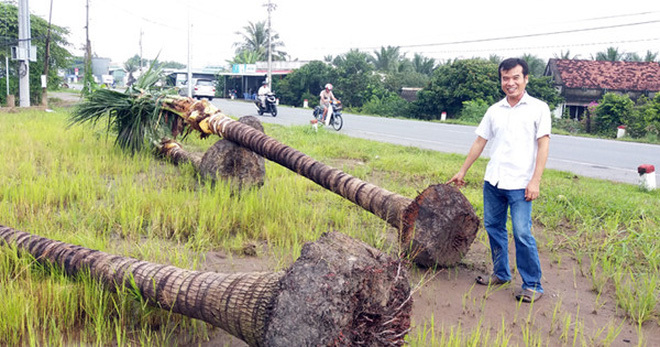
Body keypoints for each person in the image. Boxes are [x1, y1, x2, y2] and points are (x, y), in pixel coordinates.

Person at [447, 57, 551, 303]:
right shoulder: (495, 110)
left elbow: (543, 144)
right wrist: (462, 171)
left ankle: (533, 285)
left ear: (526, 78)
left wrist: (535, 181)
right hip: (493, 181)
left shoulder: (539, 108)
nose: (510, 83)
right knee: (494, 228)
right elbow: (480, 141)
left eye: (516, 77)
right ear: (501, 80)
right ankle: (500, 273)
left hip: (521, 184)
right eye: (506, 78)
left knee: (522, 233)